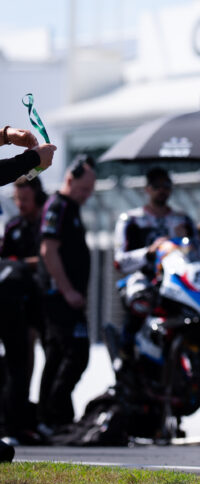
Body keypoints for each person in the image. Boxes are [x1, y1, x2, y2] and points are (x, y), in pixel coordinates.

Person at [37, 154, 96, 430]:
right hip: (59, 298)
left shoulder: (71, 207)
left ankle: (52, 416)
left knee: (58, 356)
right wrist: (68, 290)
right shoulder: (58, 206)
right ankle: (54, 414)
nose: (87, 195)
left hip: (68, 298)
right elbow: (48, 250)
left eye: (90, 190)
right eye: (83, 189)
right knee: (75, 353)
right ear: (69, 179)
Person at [112, 166, 196, 360]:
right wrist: (148, 253)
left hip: (178, 282)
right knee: (138, 302)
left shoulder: (183, 220)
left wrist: (193, 241)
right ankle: (125, 359)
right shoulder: (131, 220)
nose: (162, 190)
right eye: (156, 186)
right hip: (144, 279)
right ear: (147, 189)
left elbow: (198, 253)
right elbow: (119, 262)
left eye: (166, 185)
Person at [0, 177, 48, 442]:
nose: (20, 205)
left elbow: (49, 257)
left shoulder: (48, 222)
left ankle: (40, 415)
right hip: (17, 302)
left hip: (44, 298)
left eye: (25, 200)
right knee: (22, 356)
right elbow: (5, 261)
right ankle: (18, 412)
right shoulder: (13, 225)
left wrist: (24, 263)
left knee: (52, 355)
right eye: (17, 200)